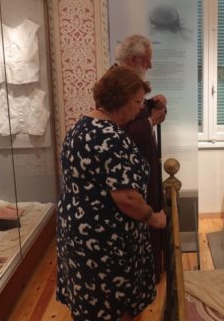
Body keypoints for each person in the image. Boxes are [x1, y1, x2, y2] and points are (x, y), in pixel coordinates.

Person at [56, 66, 167, 321]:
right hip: (105, 242)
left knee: (90, 301)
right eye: (137, 102)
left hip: (76, 231)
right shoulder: (112, 137)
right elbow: (126, 198)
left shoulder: (80, 127)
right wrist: (153, 218)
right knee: (113, 305)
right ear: (120, 99)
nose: (140, 108)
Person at [114, 34, 167, 282]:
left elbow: (138, 111)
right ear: (134, 60)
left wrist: (155, 103)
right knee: (142, 217)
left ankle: (152, 270)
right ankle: (145, 275)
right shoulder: (115, 82)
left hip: (143, 162)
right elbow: (120, 131)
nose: (151, 66)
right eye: (147, 61)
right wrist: (150, 121)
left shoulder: (128, 80)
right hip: (129, 169)